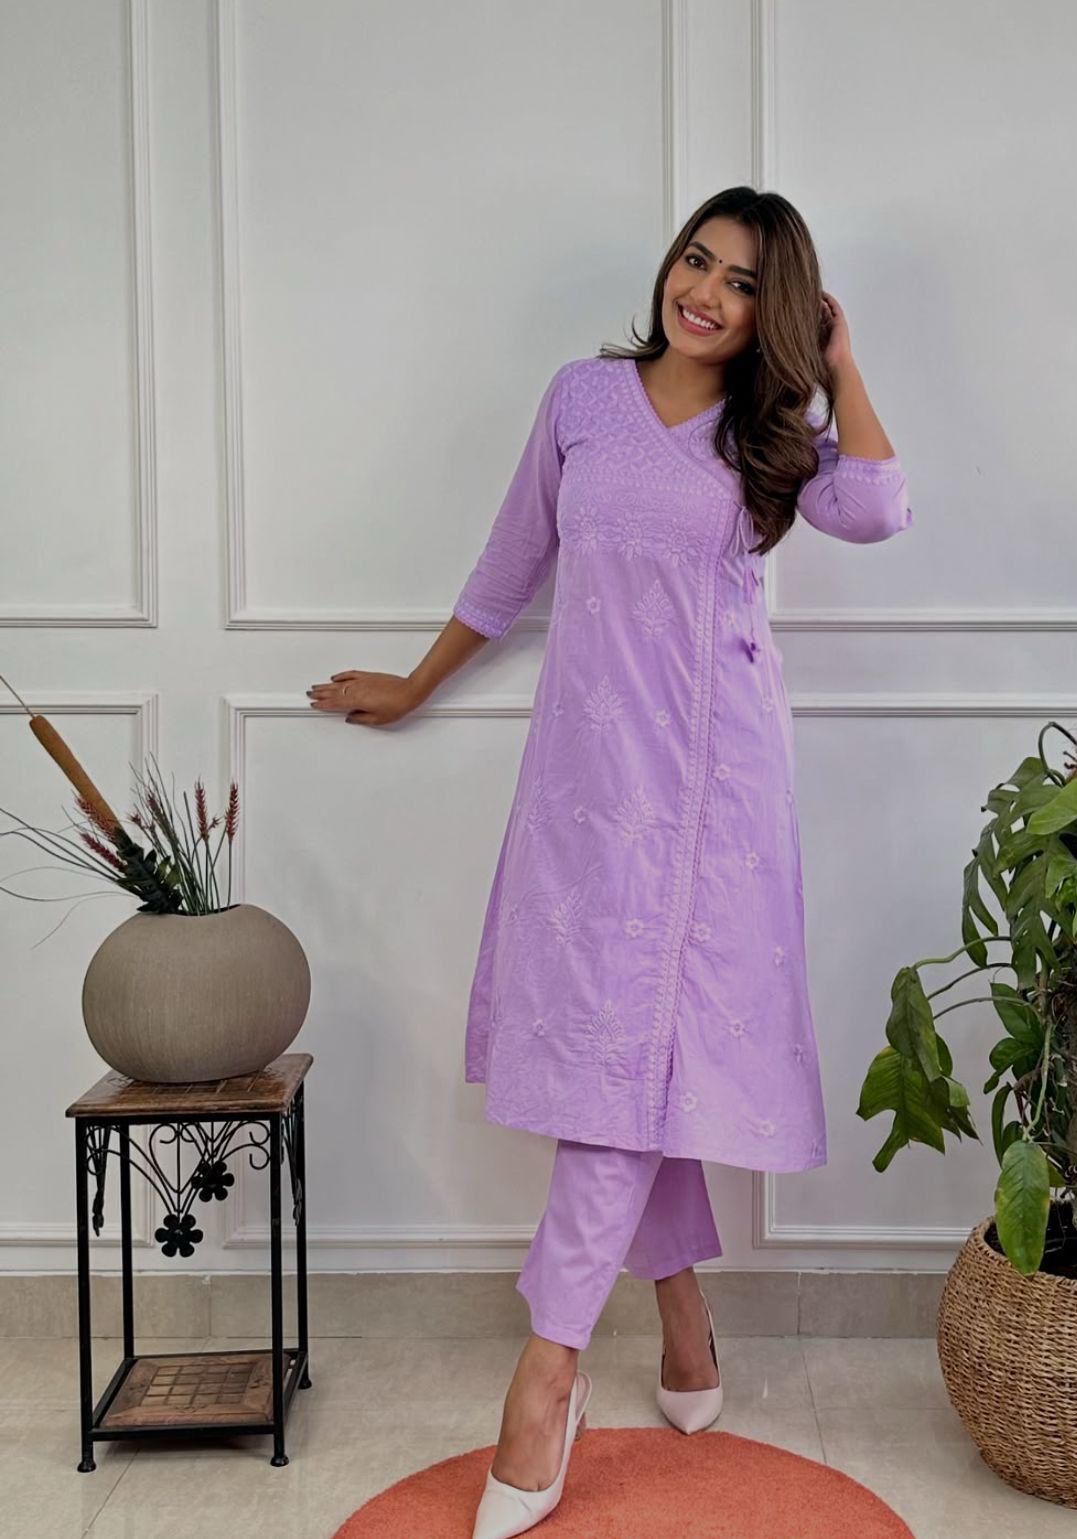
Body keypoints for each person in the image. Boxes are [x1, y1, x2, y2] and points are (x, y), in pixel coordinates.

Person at [306, 184, 911, 1538]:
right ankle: (684, 1318)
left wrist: (841, 362)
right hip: (584, 789)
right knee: (625, 1059)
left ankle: (547, 1374)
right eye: (697, 261)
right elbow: (509, 563)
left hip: (712, 794)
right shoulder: (581, 400)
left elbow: (879, 508)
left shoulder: (768, 435)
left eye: (742, 283)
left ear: (773, 312)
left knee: (624, 1064)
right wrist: (413, 683)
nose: (705, 292)